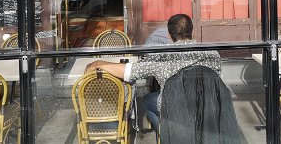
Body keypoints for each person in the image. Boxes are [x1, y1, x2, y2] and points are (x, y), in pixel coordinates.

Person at [85, 14, 221, 132]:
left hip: (177, 110)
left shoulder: (163, 56)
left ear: (168, 34)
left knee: (148, 100)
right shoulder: (213, 54)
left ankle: (171, 133)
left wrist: (99, 64)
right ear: (192, 31)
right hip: (207, 111)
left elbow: (129, 72)